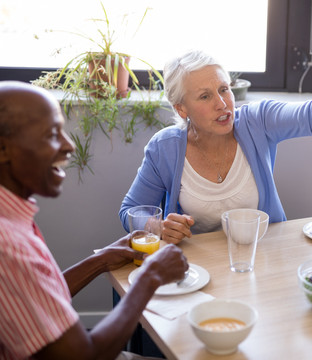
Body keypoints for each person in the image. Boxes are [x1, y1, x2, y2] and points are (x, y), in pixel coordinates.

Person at [119, 50, 312, 244]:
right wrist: (158, 227)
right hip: (198, 270)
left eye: (224, 89)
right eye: (205, 96)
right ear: (182, 109)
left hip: (263, 257)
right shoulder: (164, 148)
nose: (222, 104)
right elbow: (131, 210)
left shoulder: (256, 121)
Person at [0, 81, 189, 360]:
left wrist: (100, 260)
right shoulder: (9, 244)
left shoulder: (10, 217)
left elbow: (35, 295)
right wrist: (151, 277)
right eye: (52, 134)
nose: (69, 146)